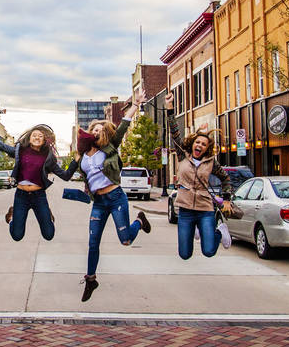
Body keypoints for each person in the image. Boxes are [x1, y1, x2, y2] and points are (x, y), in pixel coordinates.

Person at [76, 92, 152, 302]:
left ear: (106, 134)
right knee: (93, 242)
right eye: (94, 130)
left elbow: (124, 125)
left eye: (101, 130)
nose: (97, 132)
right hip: (99, 203)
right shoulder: (83, 155)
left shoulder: (110, 148)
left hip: (116, 198)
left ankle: (139, 221)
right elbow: (82, 175)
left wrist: (135, 104)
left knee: (125, 240)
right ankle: (91, 279)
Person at [165, 92, 233, 261]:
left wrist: (226, 199)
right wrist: (170, 107)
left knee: (209, 251)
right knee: (185, 254)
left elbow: (225, 178)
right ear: (193, 143)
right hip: (186, 210)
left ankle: (219, 231)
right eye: (198, 142)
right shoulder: (183, 155)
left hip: (205, 210)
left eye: (203, 144)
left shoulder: (211, 162)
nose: (200, 145)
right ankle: (196, 229)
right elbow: (174, 132)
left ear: (206, 149)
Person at [0, 124, 79, 241]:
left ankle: (48, 216)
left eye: (40, 136)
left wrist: (75, 161)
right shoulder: (19, 150)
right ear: (29, 138)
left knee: (48, 235)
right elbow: (1, 146)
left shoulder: (49, 157)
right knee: (17, 236)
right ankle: (12, 217)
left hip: (39, 196)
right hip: (21, 196)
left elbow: (65, 176)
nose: (37, 137)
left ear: (45, 140)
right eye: (34, 135)